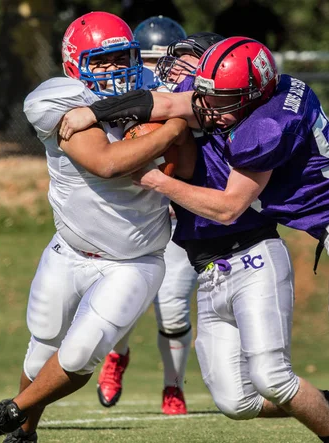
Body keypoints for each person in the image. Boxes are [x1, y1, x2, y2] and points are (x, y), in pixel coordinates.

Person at [58, 37, 329, 442]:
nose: (182, 80)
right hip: (207, 268)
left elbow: (228, 208)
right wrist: (92, 111)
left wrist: (157, 179)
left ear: (241, 91)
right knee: (235, 401)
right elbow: (166, 104)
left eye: (188, 66)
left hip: (255, 253)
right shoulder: (216, 103)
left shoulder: (258, 123)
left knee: (273, 377)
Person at [0, 11, 192, 443]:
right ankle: (24, 433)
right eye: (103, 61)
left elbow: (186, 168)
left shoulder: (154, 95)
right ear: (74, 66)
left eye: (124, 58)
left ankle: (4, 415)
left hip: (134, 260)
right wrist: (172, 125)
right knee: (41, 346)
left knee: (79, 355)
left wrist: (172, 123)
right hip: (69, 250)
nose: (117, 70)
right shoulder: (55, 99)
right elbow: (107, 162)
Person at [96, 28, 209, 417]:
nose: (162, 67)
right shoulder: (116, 88)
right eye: (147, 57)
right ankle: (117, 354)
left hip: (177, 214)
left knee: (174, 308)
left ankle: (173, 386)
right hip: (133, 214)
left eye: (172, 57)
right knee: (123, 300)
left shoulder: (198, 93)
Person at [214, 0, 285, 50]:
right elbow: (216, 40)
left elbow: (280, 33)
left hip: (259, 56)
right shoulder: (225, 16)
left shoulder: (263, 12)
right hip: (231, 57)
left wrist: (274, 50)